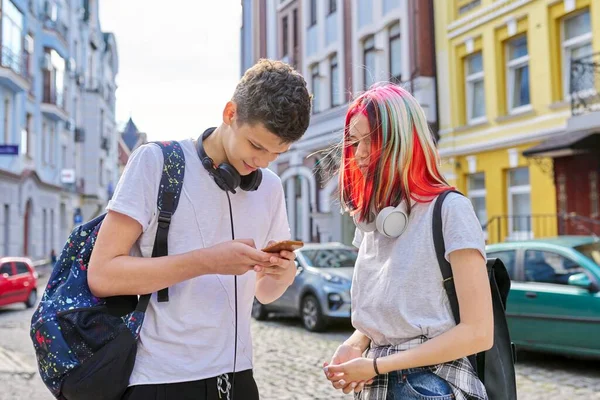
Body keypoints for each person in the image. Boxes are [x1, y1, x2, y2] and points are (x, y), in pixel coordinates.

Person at [88, 59, 312, 400]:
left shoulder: (270, 187)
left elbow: (264, 293)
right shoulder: (156, 162)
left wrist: (282, 273)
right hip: (160, 379)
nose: (263, 163)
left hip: (238, 379)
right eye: (256, 146)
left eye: (277, 153)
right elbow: (102, 275)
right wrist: (209, 261)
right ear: (230, 114)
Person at [323, 84, 493, 400]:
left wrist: (376, 366)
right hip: (379, 381)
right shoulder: (374, 220)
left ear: (401, 140)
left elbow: (478, 333)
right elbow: (398, 316)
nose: (358, 154)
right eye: (355, 141)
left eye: (369, 141)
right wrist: (356, 344)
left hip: (429, 383)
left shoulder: (449, 210)